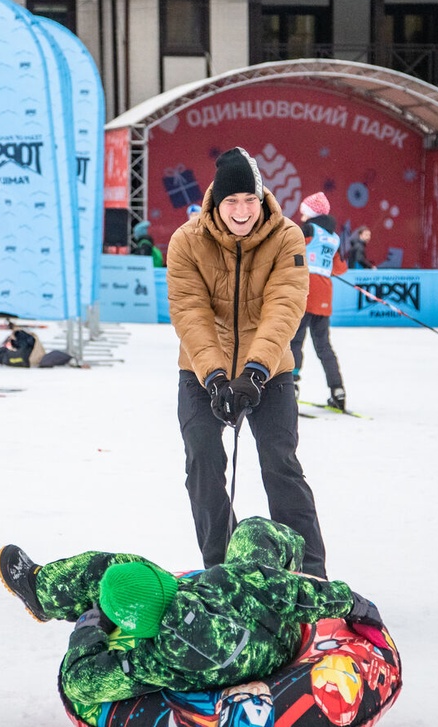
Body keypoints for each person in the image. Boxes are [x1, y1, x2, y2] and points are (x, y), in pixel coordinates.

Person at [0, 517, 385, 706]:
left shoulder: (159, 659)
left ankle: (43, 589)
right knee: (254, 530)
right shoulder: (230, 583)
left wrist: (89, 625)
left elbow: (79, 683)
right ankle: (61, 590)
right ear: (171, 584)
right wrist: (354, 604)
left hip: (220, 660)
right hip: (279, 641)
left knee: (110, 570)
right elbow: (297, 592)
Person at [167, 146, 328, 578]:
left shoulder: (287, 237)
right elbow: (190, 311)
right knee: (202, 461)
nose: (242, 210)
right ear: (217, 203)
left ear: (262, 199)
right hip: (203, 370)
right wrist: (217, 377)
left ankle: (311, 575)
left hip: (270, 370)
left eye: (250, 200)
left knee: (280, 464)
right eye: (232, 201)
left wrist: (255, 371)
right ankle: (222, 568)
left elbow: (285, 305)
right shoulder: (186, 240)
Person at [290, 191, 349, 409]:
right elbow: (340, 268)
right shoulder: (334, 237)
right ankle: (338, 390)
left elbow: (287, 248)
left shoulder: (307, 229)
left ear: (309, 213)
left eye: (303, 213)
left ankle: (291, 387)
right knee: (324, 346)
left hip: (304, 292)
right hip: (324, 295)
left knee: (295, 342)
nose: (301, 217)